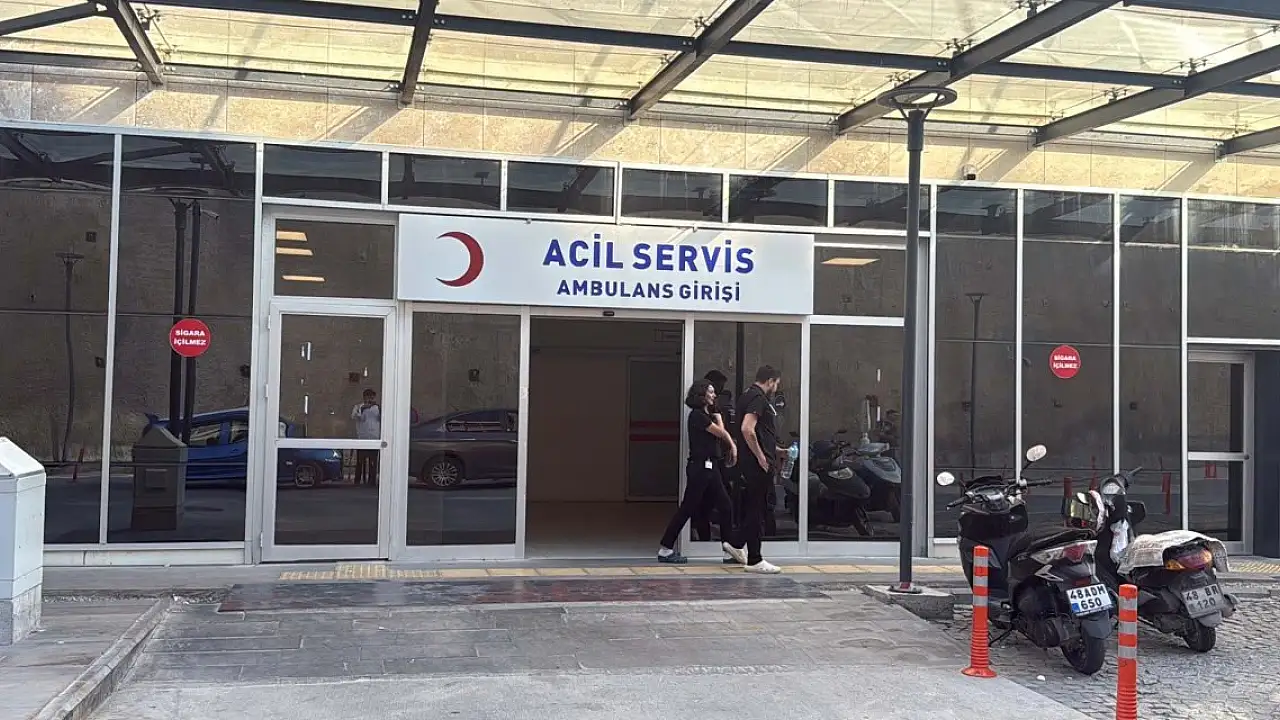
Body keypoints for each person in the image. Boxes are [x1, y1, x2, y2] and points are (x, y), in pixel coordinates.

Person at [657, 379, 748, 566]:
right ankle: (665, 549)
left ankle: (729, 550)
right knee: (688, 508)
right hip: (700, 468)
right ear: (702, 394)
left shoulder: (707, 415)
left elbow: (719, 434)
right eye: (711, 392)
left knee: (725, 505)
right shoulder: (697, 416)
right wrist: (732, 444)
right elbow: (721, 433)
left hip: (711, 467)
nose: (714, 395)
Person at [734, 365, 785, 574]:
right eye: (776, 384)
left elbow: (760, 433)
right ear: (770, 381)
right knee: (758, 509)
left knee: (755, 508)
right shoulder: (758, 398)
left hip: (750, 462)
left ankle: (735, 543)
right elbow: (747, 429)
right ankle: (755, 559)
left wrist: (776, 449)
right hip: (757, 465)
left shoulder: (746, 396)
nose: (776, 388)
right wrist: (761, 457)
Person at [350, 388, 381, 486]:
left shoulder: (377, 408)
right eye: (369, 397)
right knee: (360, 461)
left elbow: (382, 418)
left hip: (374, 438)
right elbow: (355, 416)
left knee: (373, 462)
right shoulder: (358, 406)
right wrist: (363, 409)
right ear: (364, 397)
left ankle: (371, 481)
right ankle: (357, 480)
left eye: (372, 397)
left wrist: (379, 408)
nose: (371, 399)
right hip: (362, 437)